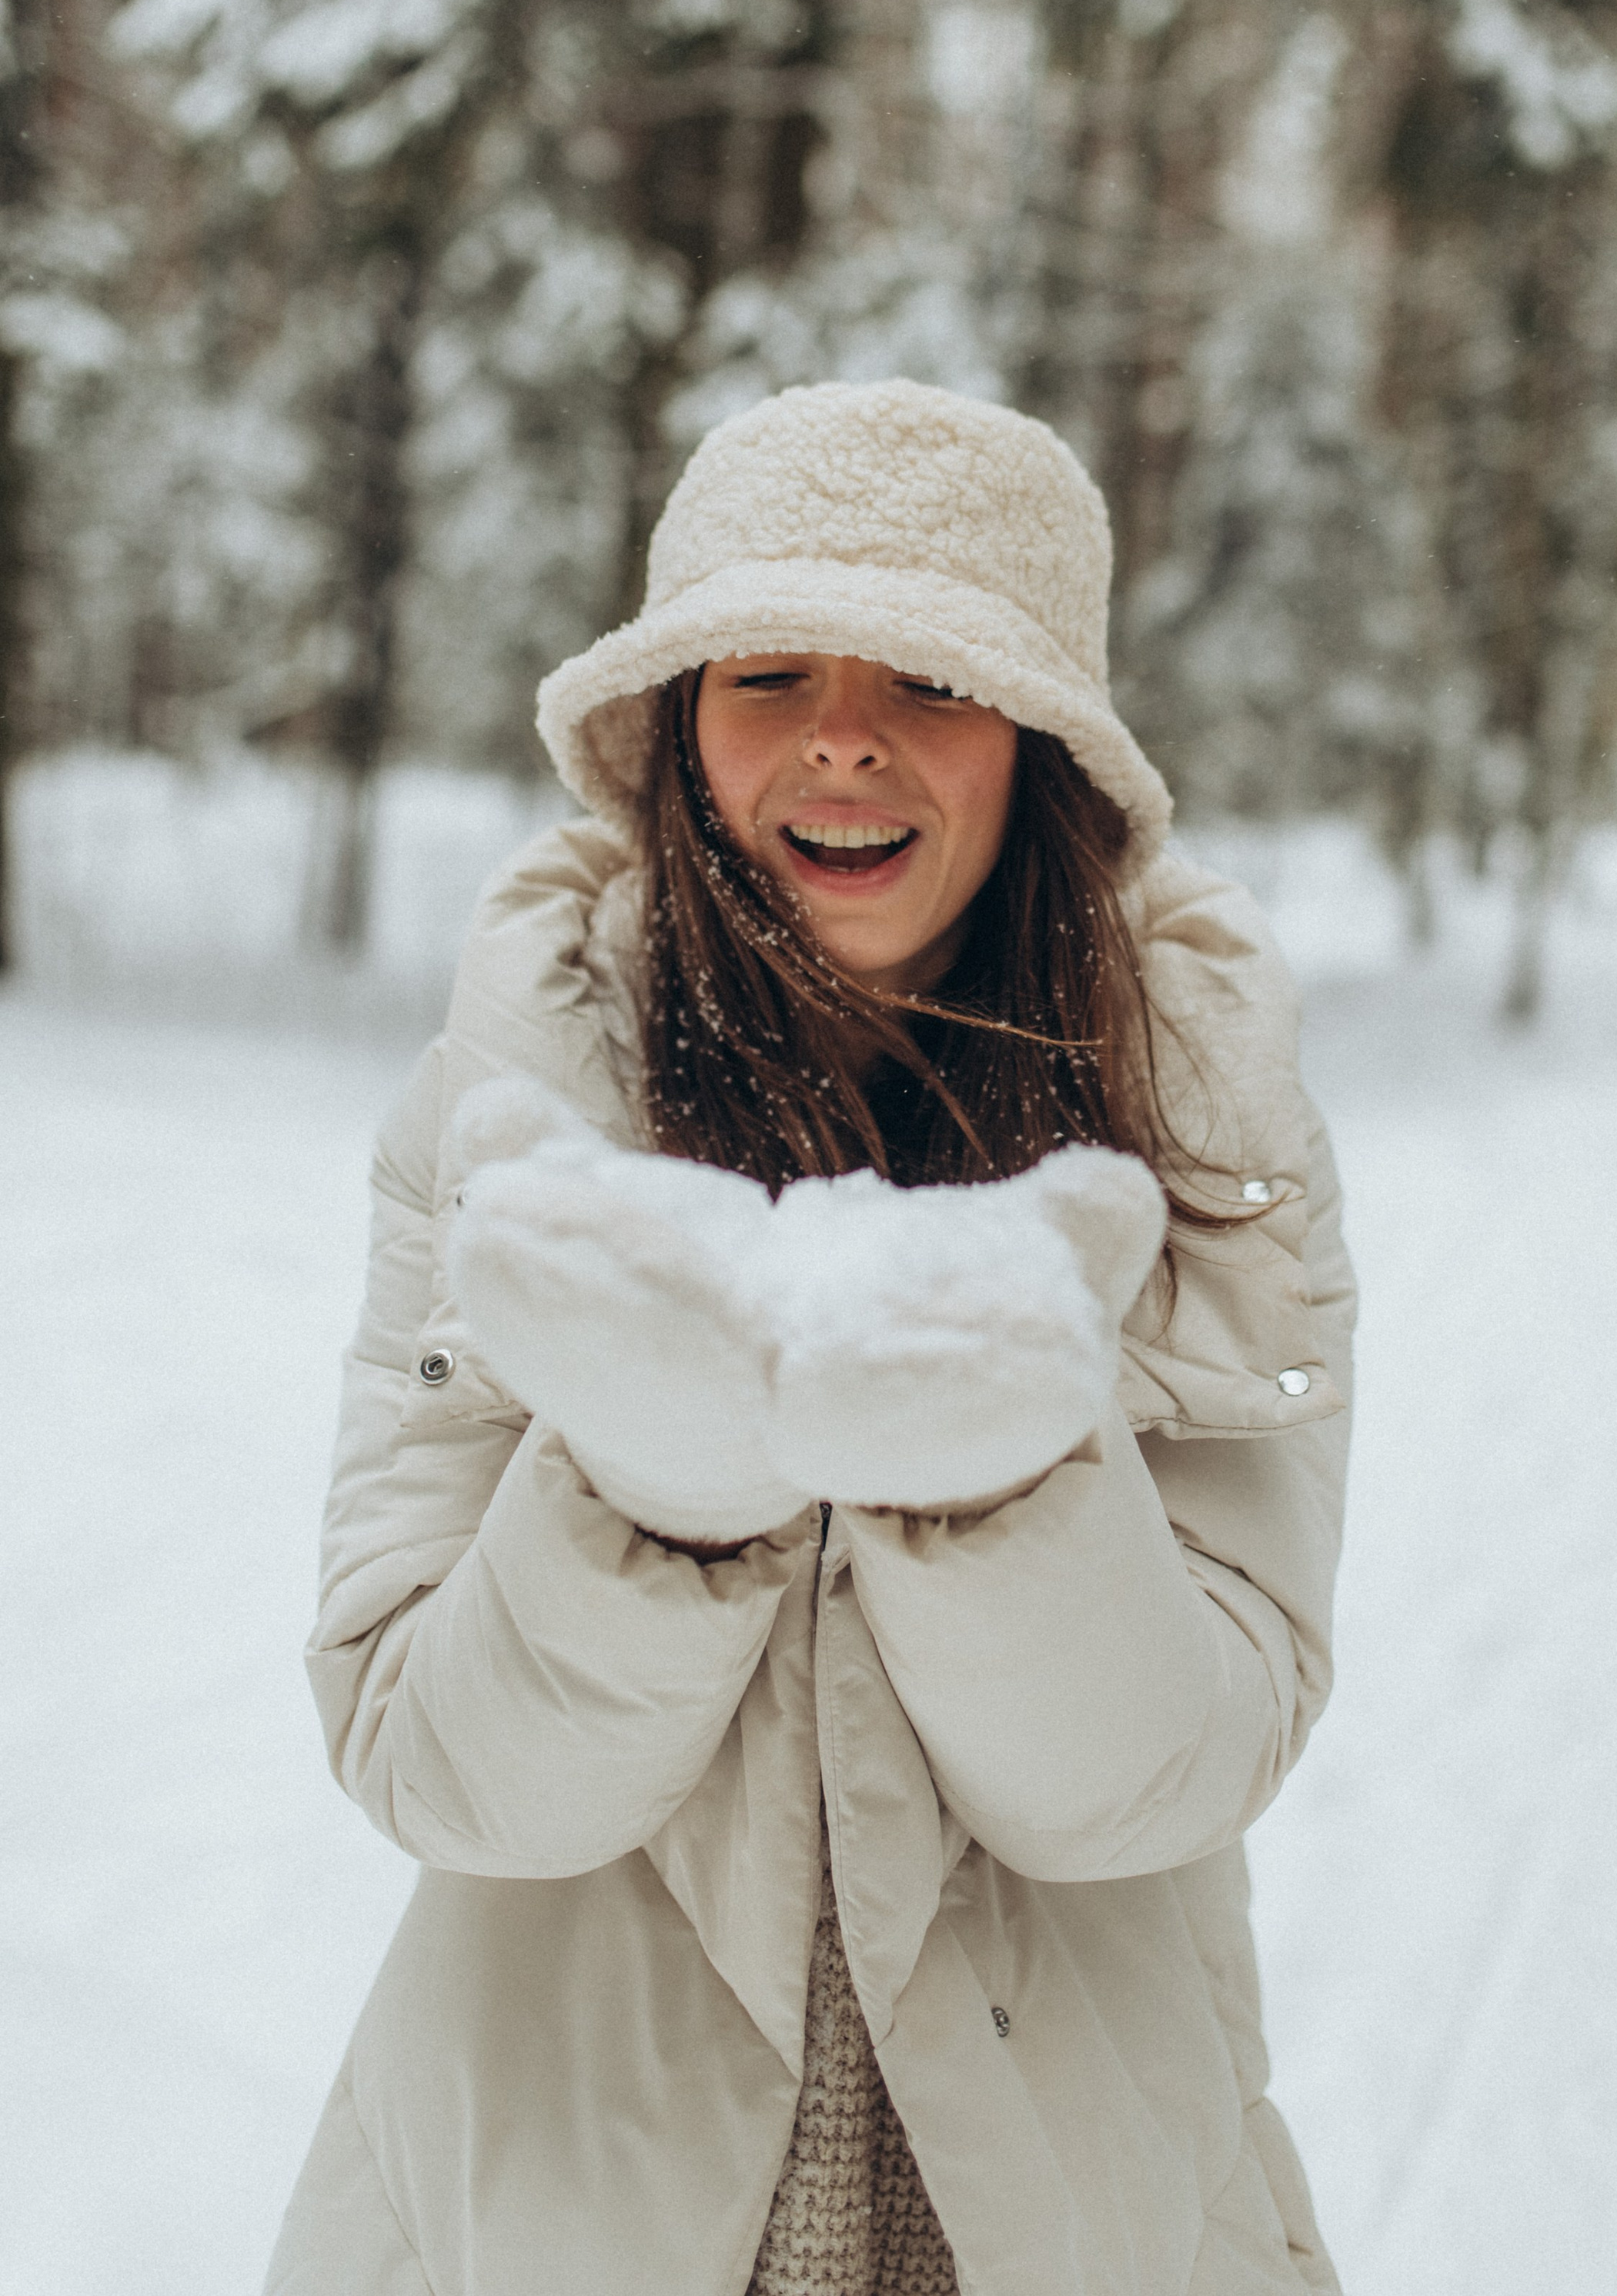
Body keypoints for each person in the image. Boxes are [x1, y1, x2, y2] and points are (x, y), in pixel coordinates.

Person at [264, 378, 1358, 2296]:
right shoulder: (518, 1119)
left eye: (931, 681)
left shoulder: (1194, 1128)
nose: (843, 740)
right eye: (764, 671)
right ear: (677, 730)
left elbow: (1177, 1766)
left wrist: (999, 1473)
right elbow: (429, 1759)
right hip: (544, 2209)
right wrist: (656, 1489)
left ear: (1038, 747)